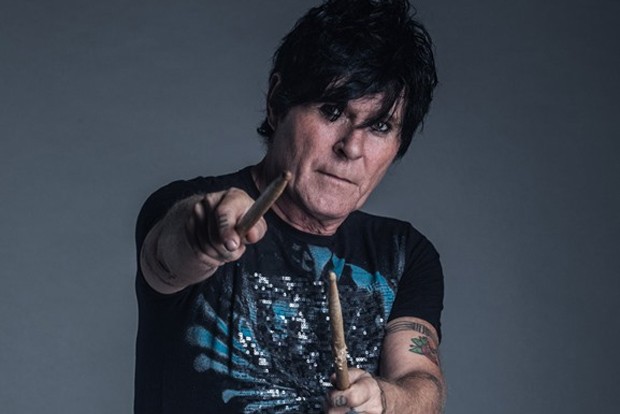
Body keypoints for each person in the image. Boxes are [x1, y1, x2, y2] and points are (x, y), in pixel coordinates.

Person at [134, 0, 444, 413]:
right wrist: (204, 234)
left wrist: (384, 399)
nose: (352, 147)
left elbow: (421, 384)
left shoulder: (404, 253)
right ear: (277, 102)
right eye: (332, 111)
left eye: (380, 126)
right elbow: (166, 257)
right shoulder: (180, 208)